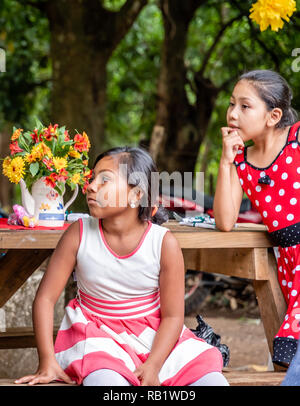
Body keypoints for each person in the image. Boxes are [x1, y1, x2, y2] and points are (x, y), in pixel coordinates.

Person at [15, 146, 228, 386]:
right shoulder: (79, 233)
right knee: (105, 383)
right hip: (96, 335)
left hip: (155, 337)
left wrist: (153, 365)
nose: (92, 186)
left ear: (137, 195)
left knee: (212, 381)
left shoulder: (163, 243)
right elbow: (44, 299)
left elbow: (172, 316)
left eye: (105, 179)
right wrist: (47, 360)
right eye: (93, 178)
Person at [213, 69, 300, 368]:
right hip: (289, 267)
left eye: (245, 106)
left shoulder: (297, 139)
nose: (233, 114)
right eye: (231, 104)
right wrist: (226, 160)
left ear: (273, 115)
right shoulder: (241, 161)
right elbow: (225, 220)